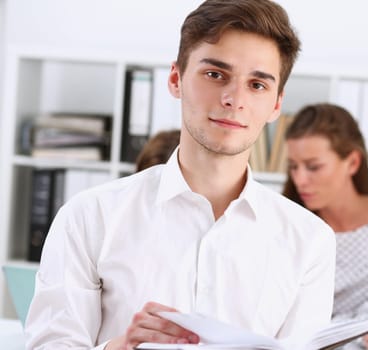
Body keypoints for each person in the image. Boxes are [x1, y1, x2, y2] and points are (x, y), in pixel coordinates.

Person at [24, 1, 337, 349]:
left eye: (257, 85)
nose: (234, 99)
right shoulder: (88, 217)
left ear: (276, 104)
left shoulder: (310, 242)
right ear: (176, 79)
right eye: (216, 74)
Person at [282, 103, 368, 350]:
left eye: (313, 167)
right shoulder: (290, 224)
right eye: (294, 166)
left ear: (353, 163)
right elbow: (277, 315)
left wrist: (314, 330)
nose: (300, 179)